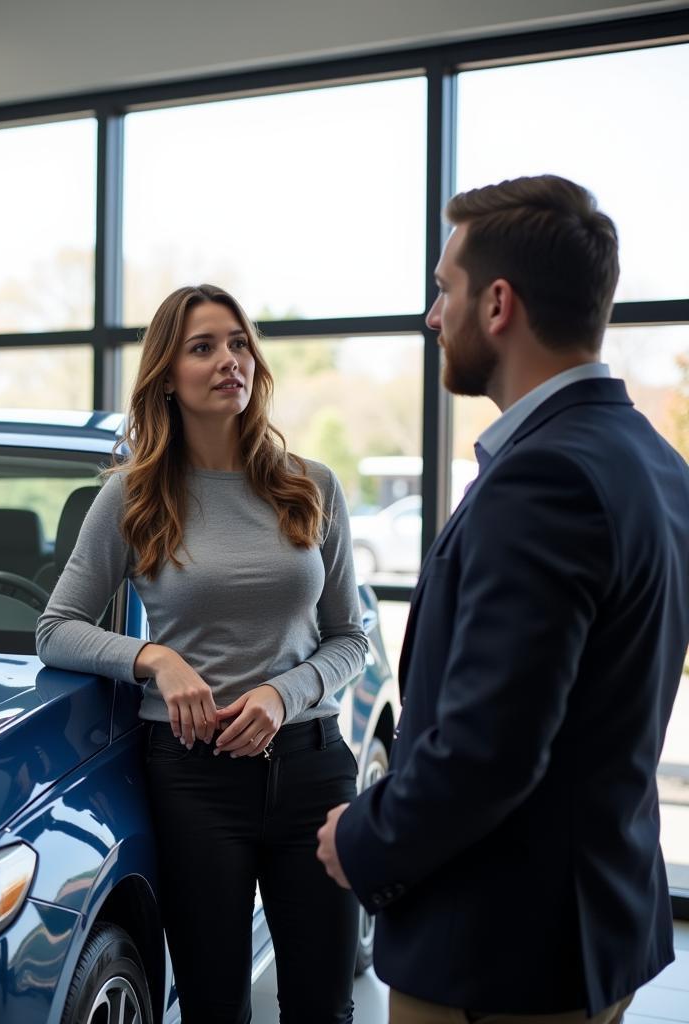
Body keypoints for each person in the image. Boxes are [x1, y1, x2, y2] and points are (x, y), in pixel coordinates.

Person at [317, 174, 689, 1022]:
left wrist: (363, 838)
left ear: (497, 305)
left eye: (443, 289)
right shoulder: (658, 466)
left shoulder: (543, 478)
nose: (430, 316)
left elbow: (490, 749)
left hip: (497, 953)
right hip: (596, 926)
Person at [37, 283, 369, 1024]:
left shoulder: (311, 487)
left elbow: (351, 635)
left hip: (311, 768)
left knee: (324, 1008)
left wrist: (285, 692)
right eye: (204, 347)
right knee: (213, 1008)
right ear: (168, 376)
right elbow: (56, 627)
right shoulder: (133, 497)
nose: (230, 360)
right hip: (194, 780)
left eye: (239, 342)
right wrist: (155, 659)